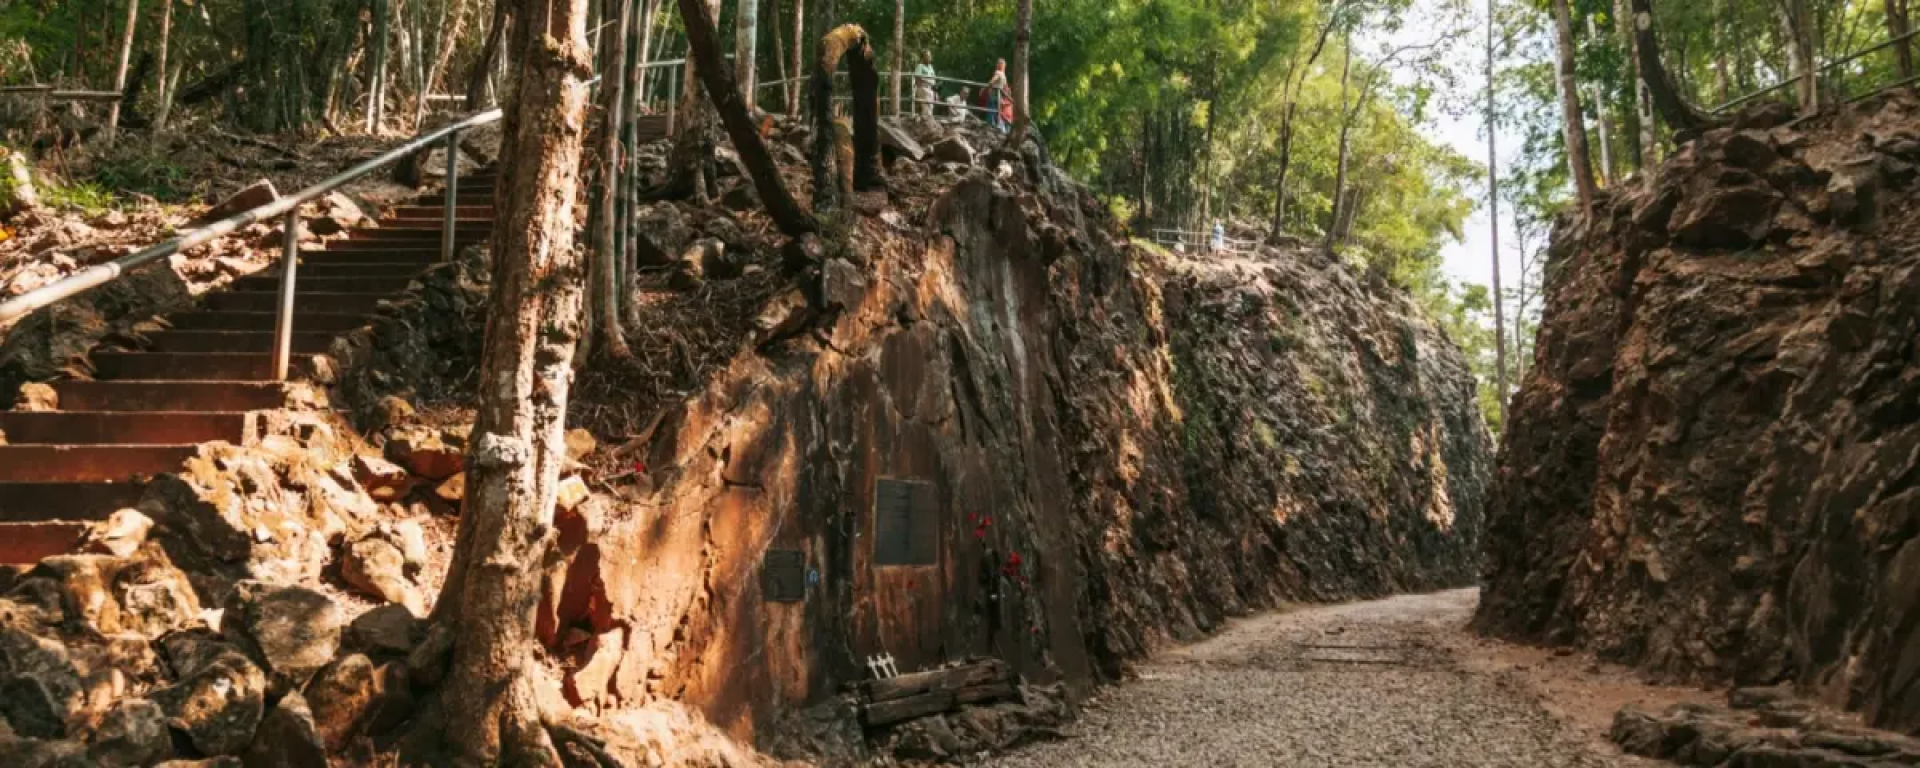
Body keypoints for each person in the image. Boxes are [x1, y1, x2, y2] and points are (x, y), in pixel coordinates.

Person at [987, 59, 1010, 133]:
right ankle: (995, 125)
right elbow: (1005, 87)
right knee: (996, 110)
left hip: (994, 95)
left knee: (992, 109)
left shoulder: (998, 73)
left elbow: (993, 81)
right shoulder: (1003, 75)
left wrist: (988, 86)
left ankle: (991, 124)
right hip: (998, 95)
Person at [914, 51, 938, 116]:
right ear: (923, 57)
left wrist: (936, 92)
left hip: (931, 90)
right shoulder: (920, 66)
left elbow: (934, 80)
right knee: (926, 109)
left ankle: (926, 122)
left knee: (930, 108)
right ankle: (925, 122)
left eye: (929, 56)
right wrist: (920, 90)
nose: (928, 57)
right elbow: (917, 79)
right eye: (926, 56)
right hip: (923, 89)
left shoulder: (931, 67)